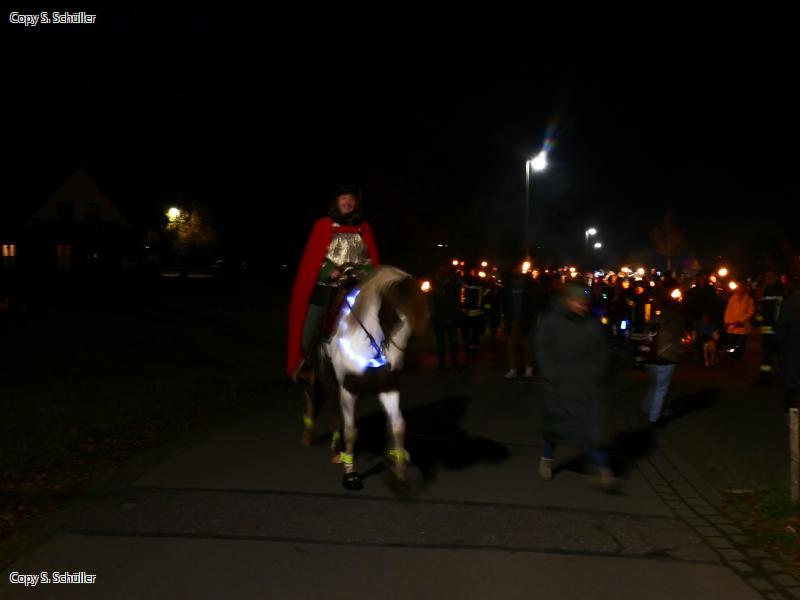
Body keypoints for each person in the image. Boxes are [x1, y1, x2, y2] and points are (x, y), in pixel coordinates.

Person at [287, 185, 380, 380]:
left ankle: (387, 353)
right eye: (344, 198)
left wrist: (369, 271)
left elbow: (370, 258)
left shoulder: (363, 227)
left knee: (380, 313)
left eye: (352, 198)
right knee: (310, 326)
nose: (348, 202)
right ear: (336, 202)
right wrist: (328, 270)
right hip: (328, 288)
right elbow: (314, 258)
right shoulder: (324, 225)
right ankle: (306, 364)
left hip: (357, 286)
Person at [534, 281, 618, 489]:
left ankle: (605, 471)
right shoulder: (551, 321)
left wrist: (596, 373)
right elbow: (542, 349)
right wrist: (552, 374)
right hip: (559, 384)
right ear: (568, 301)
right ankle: (546, 460)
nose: (583, 307)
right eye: (579, 303)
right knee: (555, 426)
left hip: (585, 385)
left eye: (585, 304)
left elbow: (602, 351)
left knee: (593, 428)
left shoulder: (592, 324)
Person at [643, 295, 685, 424]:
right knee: (661, 389)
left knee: (654, 385)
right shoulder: (677, 320)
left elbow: (646, 333)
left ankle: (646, 407)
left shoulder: (655, 317)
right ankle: (654, 418)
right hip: (667, 358)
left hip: (651, 356)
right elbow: (678, 338)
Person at [502, 263, 541, 379]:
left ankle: (528, 368)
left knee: (526, 345)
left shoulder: (529, 283)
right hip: (512, 319)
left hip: (525, 319)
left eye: (518, 268)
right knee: (511, 345)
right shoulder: (508, 283)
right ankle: (512, 369)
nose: (516, 270)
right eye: (515, 268)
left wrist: (530, 316)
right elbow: (504, 301)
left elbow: (535, 302)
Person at [430, 263, 462, 372]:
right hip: (440, 319)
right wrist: (432, 317)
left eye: (444, 270)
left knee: (453, 342)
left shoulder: (453, 283)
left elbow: (456, 299)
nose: (442, 272)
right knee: (441, 344)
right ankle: (442, 364)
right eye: (441, 270)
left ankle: (453, 361)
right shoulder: (434, 284)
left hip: (451, 318)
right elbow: (431, 302)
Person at [754, 271, 785, 386]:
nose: (767, 279)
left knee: (774, 355)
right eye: (766, 277)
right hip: (771, 329)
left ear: (775, 277)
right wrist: (758, 321)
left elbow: (771, 310)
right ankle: (767, 378)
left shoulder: (776, 290)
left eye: (769, 277)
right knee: (769, 355)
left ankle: (769, 378)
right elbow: (763, 309)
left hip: (774, 328)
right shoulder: (772, 290)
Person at [776, 276, 800, 415]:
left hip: (792, 346)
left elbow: (782, 326)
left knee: (791, 378)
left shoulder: (789, 303)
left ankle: (790, 411)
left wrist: (779, 339)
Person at [461, 264, 488, 359]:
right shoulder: (466, 281)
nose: (475, 272)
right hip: (468, 311)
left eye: (476, 270)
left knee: (473, 331)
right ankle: (470, 347)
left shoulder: (479, 282)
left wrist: (484, 309)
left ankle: (472, 347)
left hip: (474, 311)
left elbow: (485, 296)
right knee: (469, 331)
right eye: (474, 270)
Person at [724, 282, 755, 363]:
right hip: (732, 325)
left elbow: (750, 312)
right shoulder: (732, 298)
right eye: (739, 287)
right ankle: (730, 356)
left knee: (740, 344)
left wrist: (741, 320)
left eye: (742, 288)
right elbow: (728, 310)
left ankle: (738, 359)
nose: (740, 289)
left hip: (743, 326)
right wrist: (727, 321)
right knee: (730, 342)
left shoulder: (749, 300)